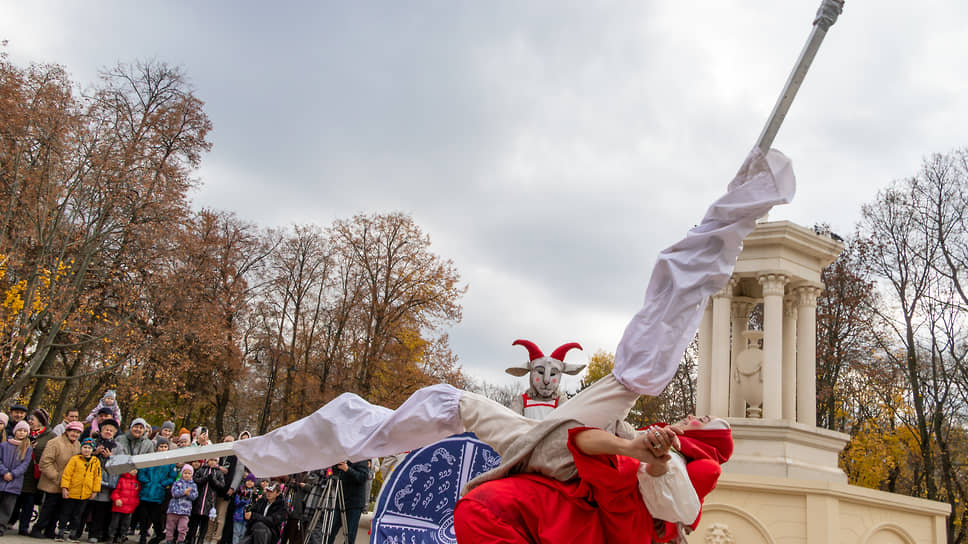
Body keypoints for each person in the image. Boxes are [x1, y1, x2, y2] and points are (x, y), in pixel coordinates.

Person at [223, 148, 795, 537]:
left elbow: (664, 497)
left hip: (557, 456)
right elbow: (598, 444)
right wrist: (634, 445)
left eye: (701, 421)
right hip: (545, 447)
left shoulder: (683, 468)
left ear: (706, 441)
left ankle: (734, 213)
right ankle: (284, 446)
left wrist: (643, 454)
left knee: (635, 366)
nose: (694, 415)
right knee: (456, 402)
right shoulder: (655, 439)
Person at [32, 420, 83, 538]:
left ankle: (50, 529)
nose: (75, 434)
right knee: (49, 507)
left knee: (59, 508)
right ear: (67, 431)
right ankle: (38, 528)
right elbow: (45, 463)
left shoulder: (77, 445)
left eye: (78, 432)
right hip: (52, 481)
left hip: (66, 484)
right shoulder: (55, 442)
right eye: (73, 431)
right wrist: (56, 477)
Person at [13, 409, 53, 535]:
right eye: (29, 419)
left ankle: (24, 527)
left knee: (29, 502)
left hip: (35, 474)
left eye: (32, 420)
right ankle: (8, 522)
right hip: (21, 472)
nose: (29, 421)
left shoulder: (49, 436)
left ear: (41, 422)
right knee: (15, 501)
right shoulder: (26, 432)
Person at [58, 437, 102, 542]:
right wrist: (65, 488)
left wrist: (95, 491)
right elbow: (67, 474)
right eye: (85, 447)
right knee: (65, 513)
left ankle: (73, 534)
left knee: (78, 515)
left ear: (93, 450)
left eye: (89, 448)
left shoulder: (95, 461)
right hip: (72, 492)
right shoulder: (75, 459)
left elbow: (97, 477)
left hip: (85, 494)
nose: (87, 450)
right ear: (81, 448)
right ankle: (60, 532)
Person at [136, 438, 177, 544]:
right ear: (157, 447)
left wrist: (162, 484)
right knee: (143, 517)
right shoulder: (150, 459)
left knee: (156, 517)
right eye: (161, 446)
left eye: (165, 446)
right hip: (146, 492)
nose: (163, 448)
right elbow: (141, 472)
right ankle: (142, 536)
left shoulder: (169, 461)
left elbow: (172, 476)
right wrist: (146, 482)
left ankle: (158, 535)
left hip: (158, 494)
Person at [87, 418, 121, 544]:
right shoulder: (93, 442)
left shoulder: (117, 447)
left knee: (101, 510)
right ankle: (76, 530)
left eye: (111, 430)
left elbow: (119, 463)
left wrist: (110, 458)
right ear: (101, 431)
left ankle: (97, 533)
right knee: (87, 508)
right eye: (106, 429)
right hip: (90, 479)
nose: (108, 432)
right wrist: (95, 453)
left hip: (107, 481)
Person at [0, 421, 32, 536]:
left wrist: (12, 474)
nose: (21, 433)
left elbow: (24, 466)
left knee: (7, 507)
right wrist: (4, 472)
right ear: (15, 431)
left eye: (24, 431)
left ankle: (1, 526)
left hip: (14, 483)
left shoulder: (27, 448)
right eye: (20, 430)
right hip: (1, 479)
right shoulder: (4, 445)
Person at [325, 461, 368, 544]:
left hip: (354, 503)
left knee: (349, 536)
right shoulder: (341, 456)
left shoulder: (361, 458)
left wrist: (347, 469)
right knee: (329, 531)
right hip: (340, 499)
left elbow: (362, 477)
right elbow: (332, 475)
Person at [185, 458, 224, 544]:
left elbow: (221, 485)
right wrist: (205, 478)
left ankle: (201, 540)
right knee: (194, 522)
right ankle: (191, 539)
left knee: (205, 523)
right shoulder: (201, 470)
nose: (212, 462)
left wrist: (213, 480)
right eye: (211, 460)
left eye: (214, 460)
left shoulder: (218, 472)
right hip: (198, 500)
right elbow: (195, 480)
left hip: (209, 502)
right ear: (207, 461)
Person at [166, 466, 198, 544]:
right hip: (173, 509)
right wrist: (183, 492)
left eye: (189, 473)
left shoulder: (193, 485)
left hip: (185, 511)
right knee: (170, 527)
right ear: (181, 473)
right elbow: (174, 494)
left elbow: (194, 496)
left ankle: (181, 541)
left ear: (192, 474)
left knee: (183, 527)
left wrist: (188, 494)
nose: (187, 475)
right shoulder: (177, 483)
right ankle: (169, 540)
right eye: (185, 473)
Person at [109, 469, 140, 543]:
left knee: (125, 524)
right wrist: (117, 499)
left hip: (129, 507)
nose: (134, 471)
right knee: (114, 523)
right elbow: (115, 492)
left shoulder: (136, 482)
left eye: (135, 470)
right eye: (132, 470)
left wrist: (135, 503)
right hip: (119, 506)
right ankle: (111, 536)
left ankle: (122, 536)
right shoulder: (121, 480)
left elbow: (137, 495)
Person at [230, 476, 258, 544]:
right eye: (248, 480)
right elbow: (236, 502)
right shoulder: (241, 490)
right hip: (238, 516)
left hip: (247, 518)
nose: (249, 483)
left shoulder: (255, 492)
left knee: (243, 534)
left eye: (251, 481)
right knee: (236, 533)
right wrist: (244, 500)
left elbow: (255, 505)